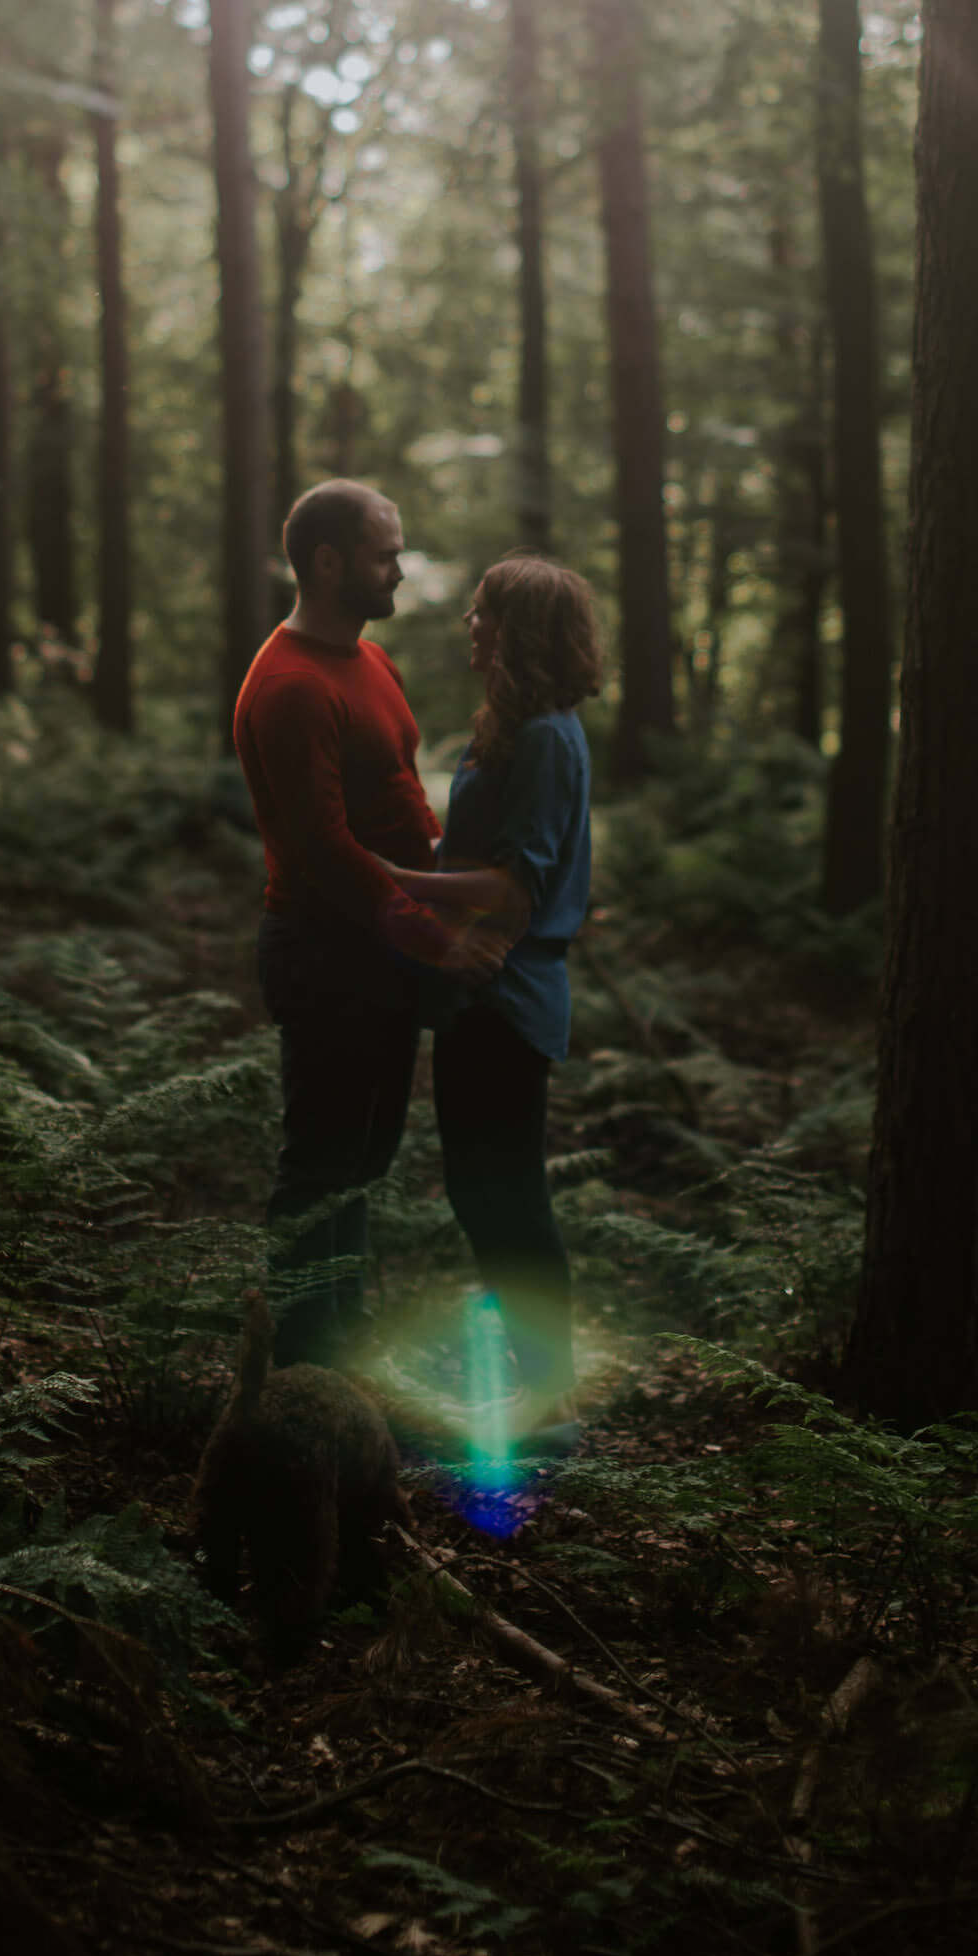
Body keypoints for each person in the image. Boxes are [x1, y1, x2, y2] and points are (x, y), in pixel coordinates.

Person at [233, 483, 510, 1369]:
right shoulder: (289, 686)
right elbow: (325, 853)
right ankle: (301, 1369)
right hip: (327, 957)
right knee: (321, 1168)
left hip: (383, 955)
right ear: (328, 562)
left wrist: (453, 893)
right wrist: (443, 941)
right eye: (384, 553)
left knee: (364, 1162)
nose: (399, 566)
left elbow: (394, 809)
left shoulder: (371, 661)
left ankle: (337, 1351)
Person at [380, 553, 603, 1441]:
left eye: (487, 613)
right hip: (482, 995)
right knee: (485, 1194)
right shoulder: (518, 727)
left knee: (507, 1198)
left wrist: (386, 877)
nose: (471, 624)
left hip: (508, 997)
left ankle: (552, 1399)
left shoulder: (547, 735)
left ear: (524, 632)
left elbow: (513, 889)